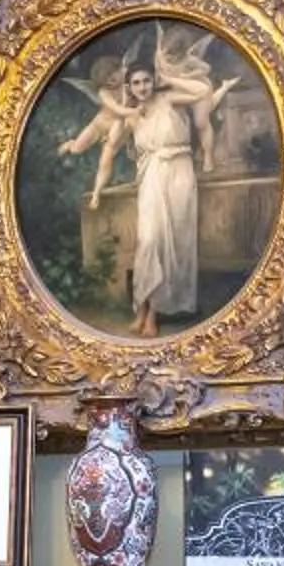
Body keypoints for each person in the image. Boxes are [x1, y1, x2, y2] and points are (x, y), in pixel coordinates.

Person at [56, 26, 239, 337]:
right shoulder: (129, 115)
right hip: (152, 173)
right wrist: (76, 144)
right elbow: (109, 148)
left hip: (180, 172)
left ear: (153, 81)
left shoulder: (170, 99)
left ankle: (151, 314)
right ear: (130, 86)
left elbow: (202, 92)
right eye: (136, 83)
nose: (142, 87)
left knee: (173, 243)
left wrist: (168, 80)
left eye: (146, 81)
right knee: (150, 240)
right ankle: (143, 307)